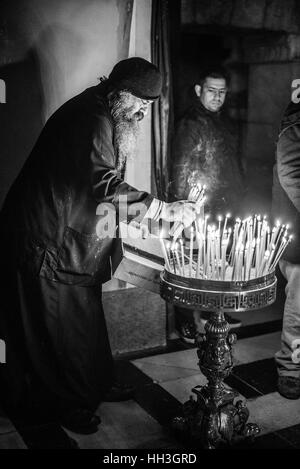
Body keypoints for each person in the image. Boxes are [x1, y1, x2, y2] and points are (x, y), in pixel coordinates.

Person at [0, 57, 198, 433]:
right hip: (47, 242)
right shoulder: (90, 118)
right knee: (59, 328)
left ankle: (95, 382)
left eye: (148, 107)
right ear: (121, 93)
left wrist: (148, 221)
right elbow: (101, 182)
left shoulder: (102, 110)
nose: (142, 114)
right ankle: (67, 404)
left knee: (86, 320)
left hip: (69, 239)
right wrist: (162, 209)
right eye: (140, 103)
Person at [169, 68, 245, 343]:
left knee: (218, 262)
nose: (217, 96)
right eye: (211, 90)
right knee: (191, 263)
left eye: (222, 91)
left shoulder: (223, 121)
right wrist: (184, 210)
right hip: (199, 206)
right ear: (199, 90)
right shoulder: (190, 123)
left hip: (226, 204)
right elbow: (181, 167)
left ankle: (215, 313)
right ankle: (186, 320)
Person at [272, 99, 300, 399]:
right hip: (297, 234)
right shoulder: (294, 127)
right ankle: (291, 369)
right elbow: (291, 173)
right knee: (299, 305)